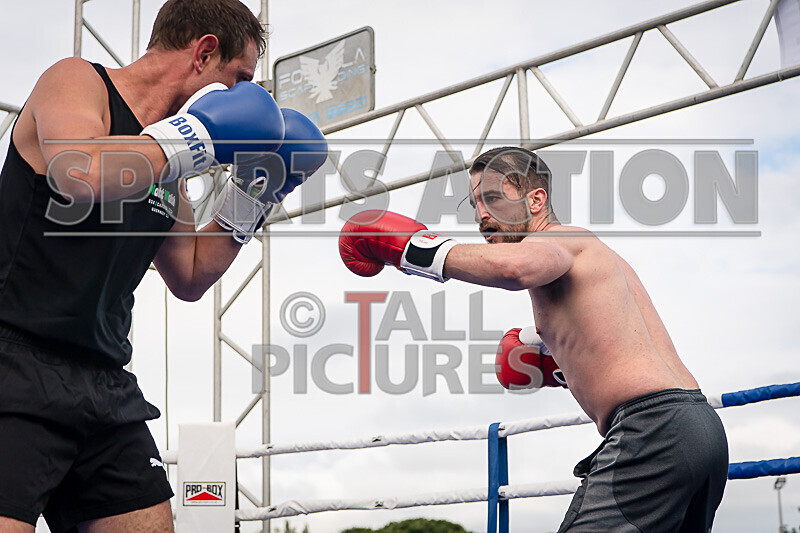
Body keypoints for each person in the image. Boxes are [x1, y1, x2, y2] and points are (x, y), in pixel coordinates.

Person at [0, 0, 326, 531]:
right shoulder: (77, 82)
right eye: (239, 80)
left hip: (105, 383)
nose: (248, 99)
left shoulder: (166, 167)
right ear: (204, 52)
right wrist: (194, 138)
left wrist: (257, 192)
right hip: (13, 365)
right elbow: (78, 173)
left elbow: (191, 273)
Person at [338, 146, 729, 532]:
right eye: (474, 204)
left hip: (653, 430)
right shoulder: (607, 260)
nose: (481, 216)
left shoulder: (562, 240)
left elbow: (515, 269)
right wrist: (558, 366)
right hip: (700, 427)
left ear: (536, 199)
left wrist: (414, 248)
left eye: (491, 198)